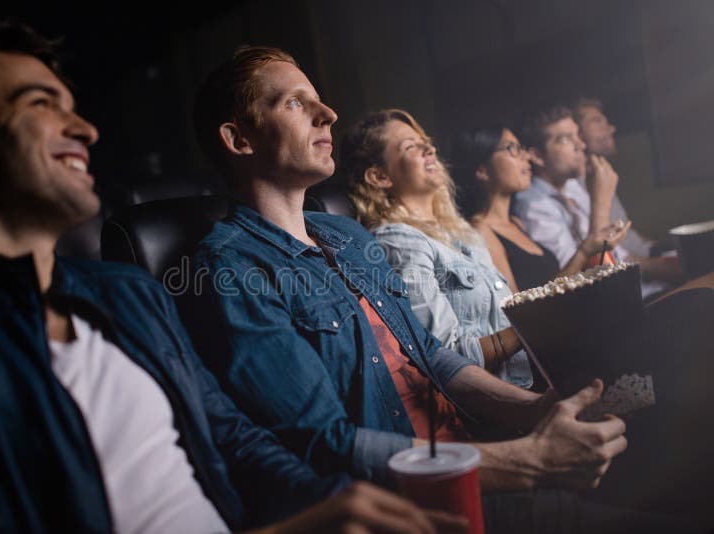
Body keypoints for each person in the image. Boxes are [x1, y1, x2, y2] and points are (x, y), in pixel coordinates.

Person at [0, 21, 469, 534]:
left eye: (75, 108)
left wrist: (336, 505)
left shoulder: (128, 296)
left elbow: (237, 441)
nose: (84, 130)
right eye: (40, 103)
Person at [185, 45, 697, 533]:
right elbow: (325, 445)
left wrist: (534, 412)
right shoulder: (230, 269)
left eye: (318, 98)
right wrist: (529, 461)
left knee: (677, 438)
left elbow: (430, 355)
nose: (329, 114)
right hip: (423, 502)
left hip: (480, 446)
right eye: (295, 103)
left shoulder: (344, 236)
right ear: (240, 140)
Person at [341, 109, 532, 388]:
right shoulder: (397, 241)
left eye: (425, 142)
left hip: (527, 379)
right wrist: (533, 329)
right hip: (491, 408)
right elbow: (446, 356)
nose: (429, 149)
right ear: (380, 177)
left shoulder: (463, 232)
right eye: (411, 146)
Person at [450, 124, 627, 292]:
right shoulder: (481, 232)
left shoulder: (516, 223)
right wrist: (583, 252)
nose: (526, 157)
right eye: (511, 149)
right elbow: (517, 308)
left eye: (522, 148)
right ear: (483, 171)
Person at [573, 97, 682, 296]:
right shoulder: (576, 188)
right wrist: (663, 266)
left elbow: (627, 232)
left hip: (646, 255)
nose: (611, 128)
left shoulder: (602, 174)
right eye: (598, 121)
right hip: (632, 271)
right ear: (577, 133)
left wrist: (660, 247)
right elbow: (604, 255)